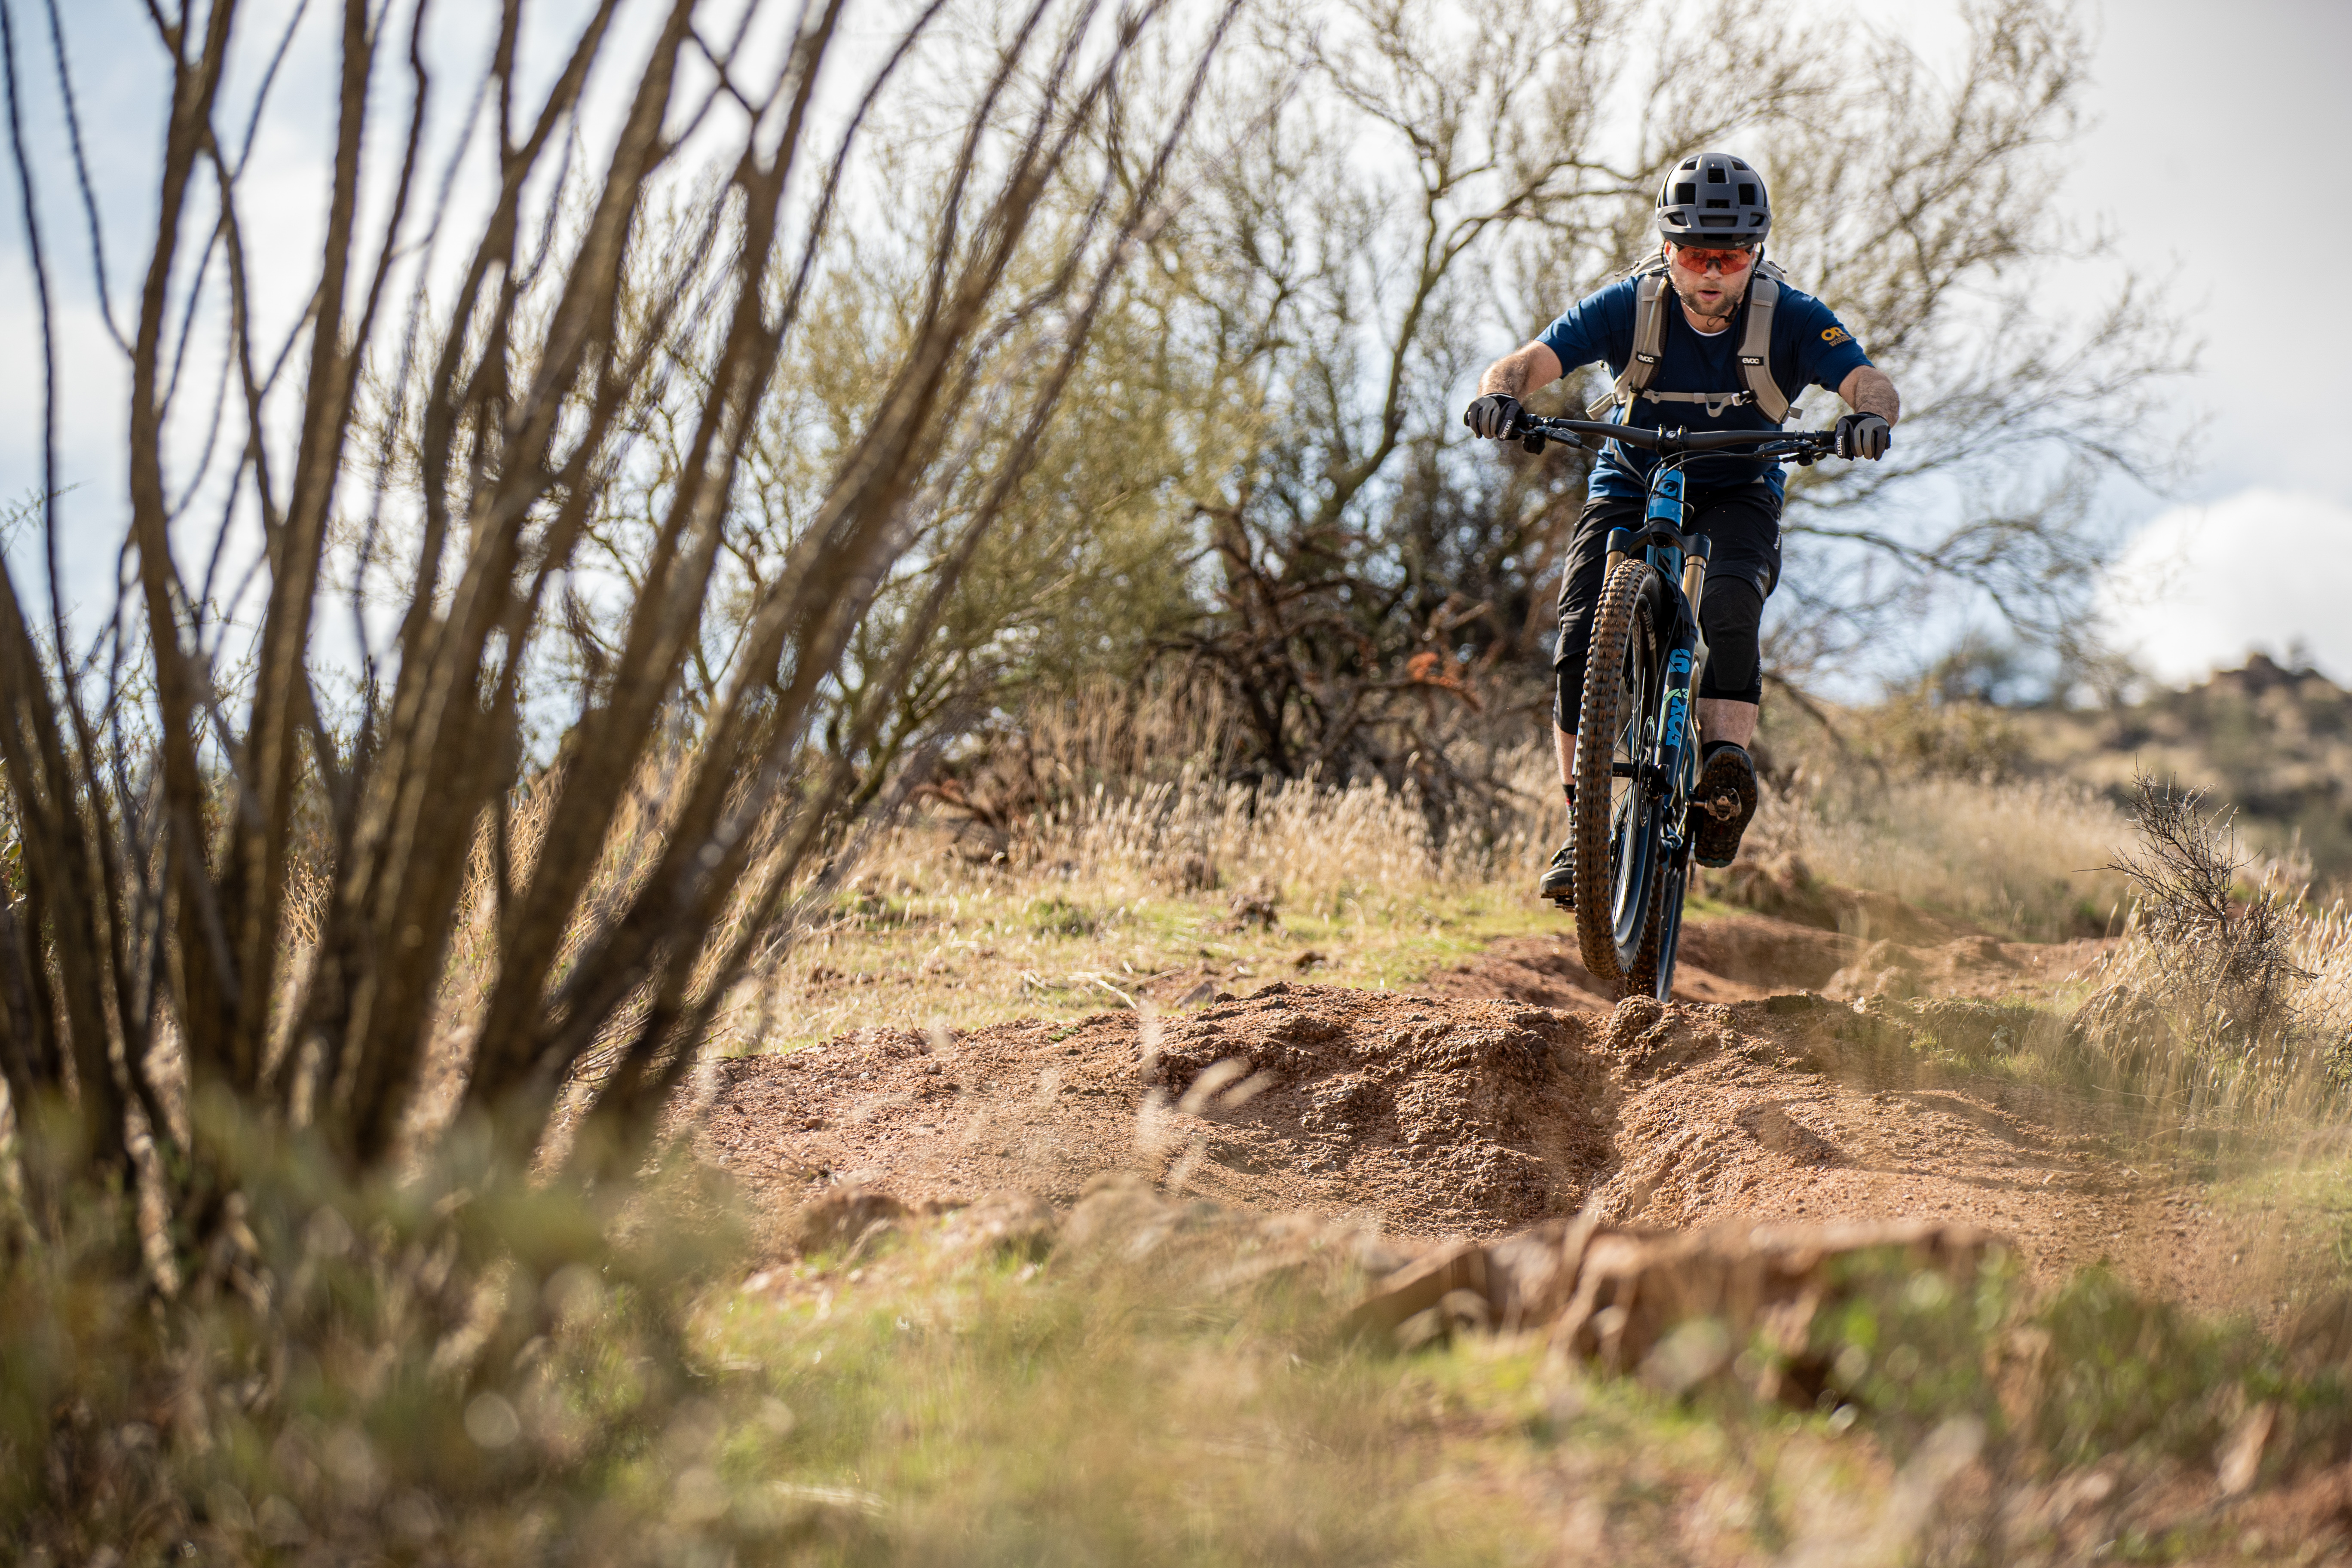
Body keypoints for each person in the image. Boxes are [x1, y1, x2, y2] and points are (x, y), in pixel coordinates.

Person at [1461, 151, 1899, 901]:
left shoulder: (1792, 316)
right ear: (1669, 249)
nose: (1712, 273)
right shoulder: (1629, 306)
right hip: (1633, 480)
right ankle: (1581, 830)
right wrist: (1500, 397)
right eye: (1697, 254)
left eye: (1729, 258)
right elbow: (1528, 362)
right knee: (1576, 639)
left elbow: (1868, 380)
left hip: (1739, 488)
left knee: (1731, 608)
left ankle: (1723, 773)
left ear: (1753, 256)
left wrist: (1866, 419)